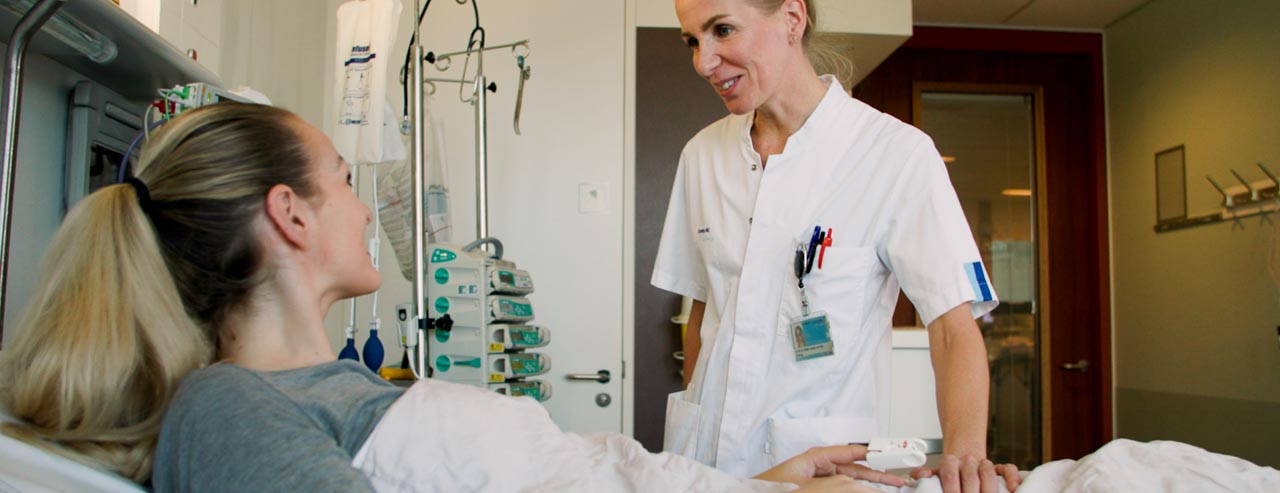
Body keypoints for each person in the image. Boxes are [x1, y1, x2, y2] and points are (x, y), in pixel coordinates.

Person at [0, 103, 907, 492]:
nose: (365, 206)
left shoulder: (321, 390)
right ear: (290, 214)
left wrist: (758, 485)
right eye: (343, 178)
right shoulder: (226, 404)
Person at [652, 1, 1022, 492]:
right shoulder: (702, 155)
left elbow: (953, 326)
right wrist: (694, 416)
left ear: (792, 18)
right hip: (702, 465)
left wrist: (966, 454)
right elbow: (702, 311)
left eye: (723, 30)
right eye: (692, 41)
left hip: (819, 471)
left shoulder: (895, 154)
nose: (704, 62)